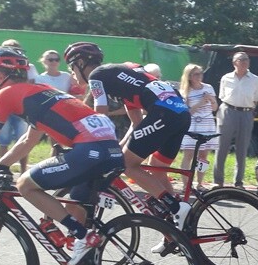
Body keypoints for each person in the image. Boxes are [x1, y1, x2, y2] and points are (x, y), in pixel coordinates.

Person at [0, 46, 124, 265]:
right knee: (75, 205)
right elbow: (28, 140)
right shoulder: (42, 91)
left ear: (1, 75)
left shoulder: (7, 94)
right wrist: (2, 165)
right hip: (111, 150)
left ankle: (83, 236)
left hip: (90, 150)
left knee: (25, 184)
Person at [63, 41, 191, 230]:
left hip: (164, 112)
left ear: (81, 63)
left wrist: (90, 140)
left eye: (71, 67)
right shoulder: (121, 78)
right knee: (157, 170)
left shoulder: (96, 75)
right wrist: (116, 146)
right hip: (180, 112)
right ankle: (175, 228)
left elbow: (100, 111)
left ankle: (176, 207)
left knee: (128, 165)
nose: (72, 73)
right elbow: (137, 124)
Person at [214, 51, 258, 188]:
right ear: (234, 62)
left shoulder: (255, 79)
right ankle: (218, 181)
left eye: (246, 59)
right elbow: (222, 95)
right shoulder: (226, 78)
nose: (245, 62)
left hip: (246, 112)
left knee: (242, 148)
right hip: (228, 111)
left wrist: (248, 110)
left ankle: (238, 182)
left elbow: (256, 99)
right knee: (221, 146)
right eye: (241, 59)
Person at [0, 39, 37, 173]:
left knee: (23, 140)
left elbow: (31, 83)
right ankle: (3, 169)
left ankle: (23, 171)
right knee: (3, 140)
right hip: (5, 106)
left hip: (21, 106)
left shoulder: (28, 66)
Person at [178, 63, 218, 189]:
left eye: (201, 73)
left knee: (203, 155)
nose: (199, 76)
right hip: (192, 124)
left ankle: (200, 183)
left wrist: (211, 100)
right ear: (189, 76)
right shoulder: (185, 91)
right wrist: (201, 102)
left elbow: (215, 107)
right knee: (188, 154)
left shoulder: (208, 87)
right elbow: (188, 112)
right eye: (196, 74)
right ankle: (186, 184)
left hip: (207, 123)